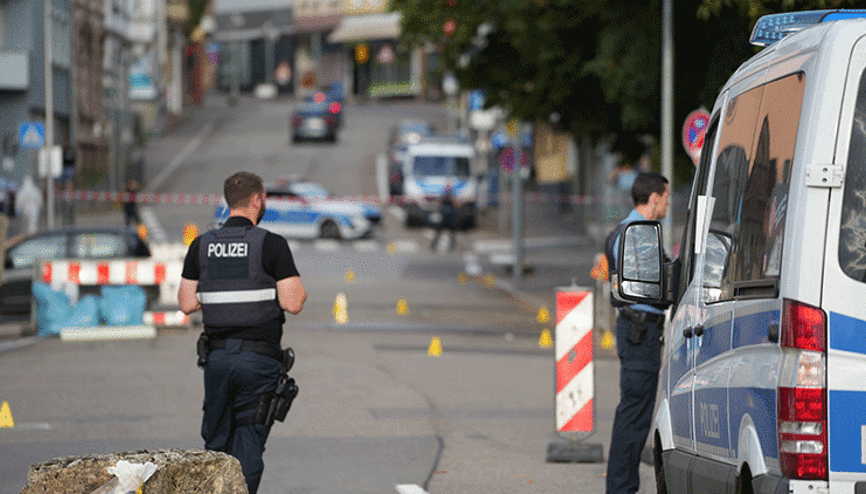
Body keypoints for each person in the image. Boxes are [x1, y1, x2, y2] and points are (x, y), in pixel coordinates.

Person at [177, 171, 307, 494]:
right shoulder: (271, 245)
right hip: (257, 361)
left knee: (217, 445)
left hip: (217, 360)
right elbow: (293, 303)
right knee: (248, 445)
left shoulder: (201, 246)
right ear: (257, 199)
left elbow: (186, 303)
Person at [605, 172, 670, 494]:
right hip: (640, 331)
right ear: (655, 197)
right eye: (666, 197)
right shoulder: (637, 234)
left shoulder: (631, 230)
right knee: (633, 417)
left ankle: (621, 487)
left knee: (634, 416)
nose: (667, 204)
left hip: (637, 330)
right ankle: (621, 489)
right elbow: (652, 287)